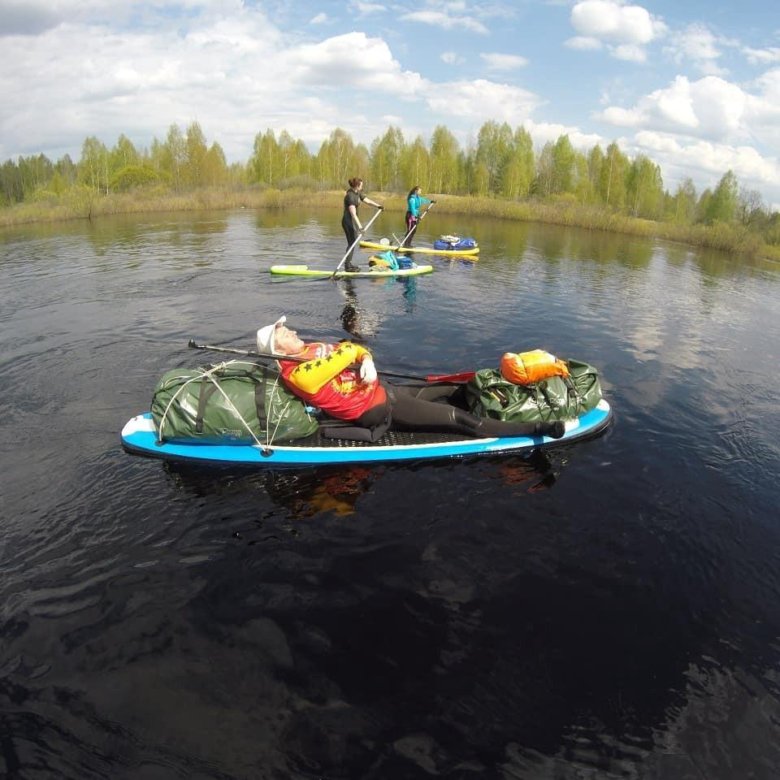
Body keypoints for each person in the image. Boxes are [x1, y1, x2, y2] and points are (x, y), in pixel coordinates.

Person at [256, 316, 566, 442]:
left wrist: (367, 360)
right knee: (459, 420)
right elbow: (345, 352)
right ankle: (537, 428)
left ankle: (512, 396)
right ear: (277, 348)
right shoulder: (298, 374)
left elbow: (352, 348)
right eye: (284, 332)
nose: (292, 330)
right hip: (377, 411)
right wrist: (357, 354)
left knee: (449, 387)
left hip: (384, 390)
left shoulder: (309, 349)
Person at [342, 177, 382, 272]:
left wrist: (378, 205)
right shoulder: (350, 196)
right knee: (352, 243)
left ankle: (348, 263)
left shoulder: (357, 193)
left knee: (352, 243)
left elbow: (367, 200)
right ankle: (347, 266)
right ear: (357, 185)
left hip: (353, 221)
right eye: (361, 185)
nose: (362, 186)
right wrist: (360, 227)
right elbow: (353, 213)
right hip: (348, 221)